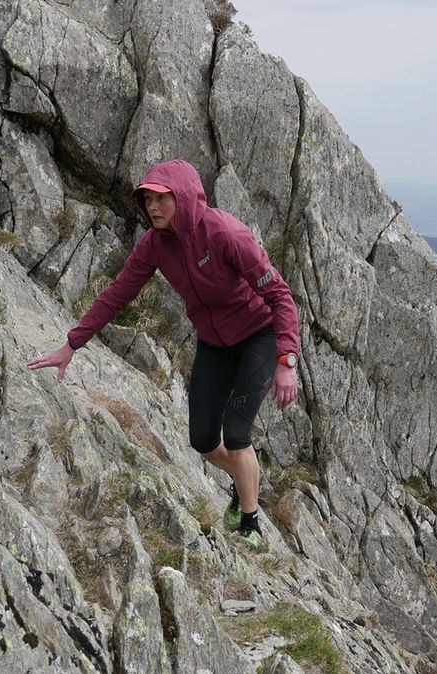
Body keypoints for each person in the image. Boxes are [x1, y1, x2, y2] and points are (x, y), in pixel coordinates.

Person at [27, 159, 301, 551]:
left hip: (259, 335)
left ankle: (250, 524)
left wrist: (286, 360)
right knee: (203, 440)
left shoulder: (225, 233)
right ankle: (244, 484)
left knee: (237, 435)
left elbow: (279, 295)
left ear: (183, 198)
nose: (152, 207)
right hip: (214, 343)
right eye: (147, 200)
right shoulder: (154, 245)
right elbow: (118, 293)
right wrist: (72, 344)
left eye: (161, 198)